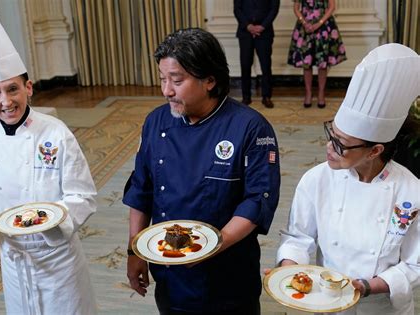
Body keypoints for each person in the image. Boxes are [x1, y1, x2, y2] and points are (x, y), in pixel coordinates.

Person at [123, 28, 281, 314]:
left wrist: (210, 247)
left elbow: (258, 200)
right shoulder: (156, 122)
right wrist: (134, 251)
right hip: (170, 275)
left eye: (177, 80)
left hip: (228, 277)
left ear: (210, 80)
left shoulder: (250, 127)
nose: (166, 90)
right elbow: (141, 188)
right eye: (162, 79)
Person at [0, 6, 97, 314]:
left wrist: (49, 223)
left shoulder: (56, 133)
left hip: (57, 258)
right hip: (13, 258)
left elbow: (83, 197)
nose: (6, 101)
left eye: (13, 89)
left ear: (29, 87)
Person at [276, 43, 420, 315]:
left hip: (381, 307)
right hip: (326, 301)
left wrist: (366, 287)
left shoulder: (411, 191)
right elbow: (298, 237)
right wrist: (288, 270)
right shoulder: (316, 179)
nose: (329, 148)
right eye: (331, 135)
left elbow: (415, 265)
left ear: (375, 150)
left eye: (341, 145)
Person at [288, 0, 347, 108]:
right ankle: (308, 93)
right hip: (305, 26)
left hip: (324, 27)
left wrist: (319, 23)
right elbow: (296, 8)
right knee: (306, 63)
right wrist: (304, 23)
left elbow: (332, 6)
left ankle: (321, 94)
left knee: (322, 63)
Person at [234, 0, 280, 108]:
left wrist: (262, 26)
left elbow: (274, 9)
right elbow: (237, 9)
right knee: (245, 64)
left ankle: (267, 96)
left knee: (266, 65)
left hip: (265, 32)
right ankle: (246, 96)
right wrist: (248, 26)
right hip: (245, 32)